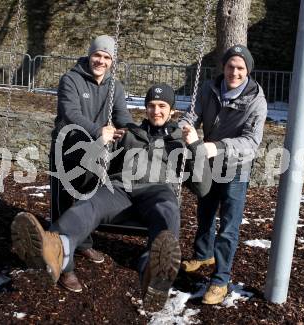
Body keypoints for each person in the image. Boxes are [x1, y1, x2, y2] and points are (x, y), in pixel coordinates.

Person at [12, 84, 211, 312]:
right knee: (91, 202)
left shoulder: (180, 142)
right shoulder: (128, 134)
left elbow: (202, 188)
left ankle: (154, 273)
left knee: (169, 209)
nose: (156, 111)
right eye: (152, 106)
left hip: (158, 193)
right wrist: (101, 142)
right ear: (145, 108)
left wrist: (196, 145)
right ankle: (58, 248)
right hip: (120, 189)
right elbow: (87, 172)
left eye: (162, 106)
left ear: (172, 111)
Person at [179, 44, 267, 304]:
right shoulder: (210, 88)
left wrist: (214, 147)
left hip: (236, 167)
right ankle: (203, 253)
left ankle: (221, 280)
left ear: (248, 70)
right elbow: (192, 115)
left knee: (228, 225)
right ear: (224, 67)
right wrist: (183, 127)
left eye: (240, 68)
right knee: (205, 211)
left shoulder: (256, 100)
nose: (235, 72)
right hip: (209, 161)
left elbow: (251, 142)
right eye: (231, 66)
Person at [50, 35, 134, 264]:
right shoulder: (70, 79)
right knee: (63, 202)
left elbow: (122, 115)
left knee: (87, 199)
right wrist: (98, 130)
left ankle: (83, 243)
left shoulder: (114, 86)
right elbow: (71, 113)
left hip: (94, 152)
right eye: (97, 55)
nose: (101, 61)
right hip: (66, 149)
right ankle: (58, 256)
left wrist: (131, 131)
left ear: (111, 61)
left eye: (107, 57)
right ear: (90, 54)